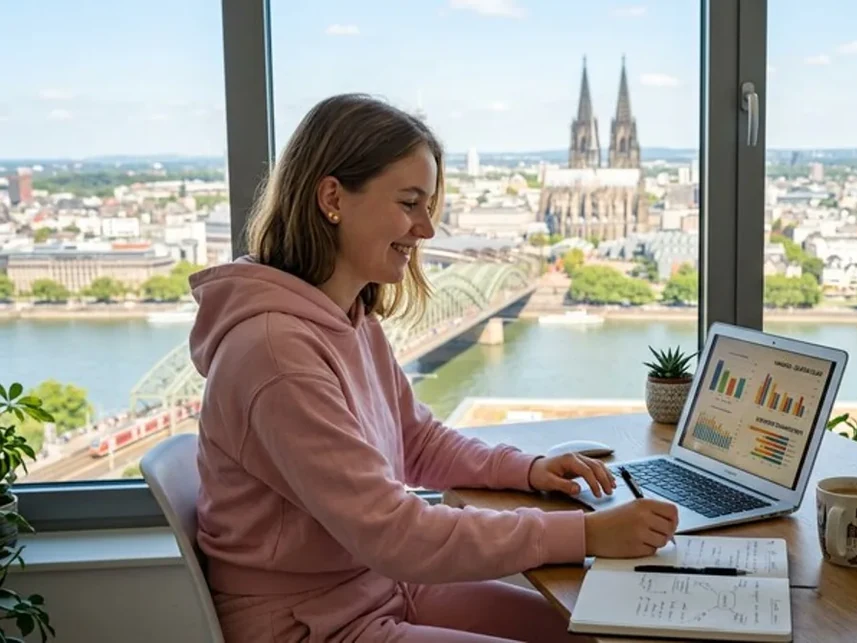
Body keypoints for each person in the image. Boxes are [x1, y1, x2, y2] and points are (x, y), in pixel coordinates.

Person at [187, 93, 679, 643]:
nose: (426, 229)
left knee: (591, 633)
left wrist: (528, 469)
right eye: (409, 203)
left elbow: (416, 441)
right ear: (332, 198)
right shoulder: (276, 356)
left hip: (378, 586)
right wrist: (586, 533)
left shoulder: (349, 318)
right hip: (314, 624)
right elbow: (397, 532)